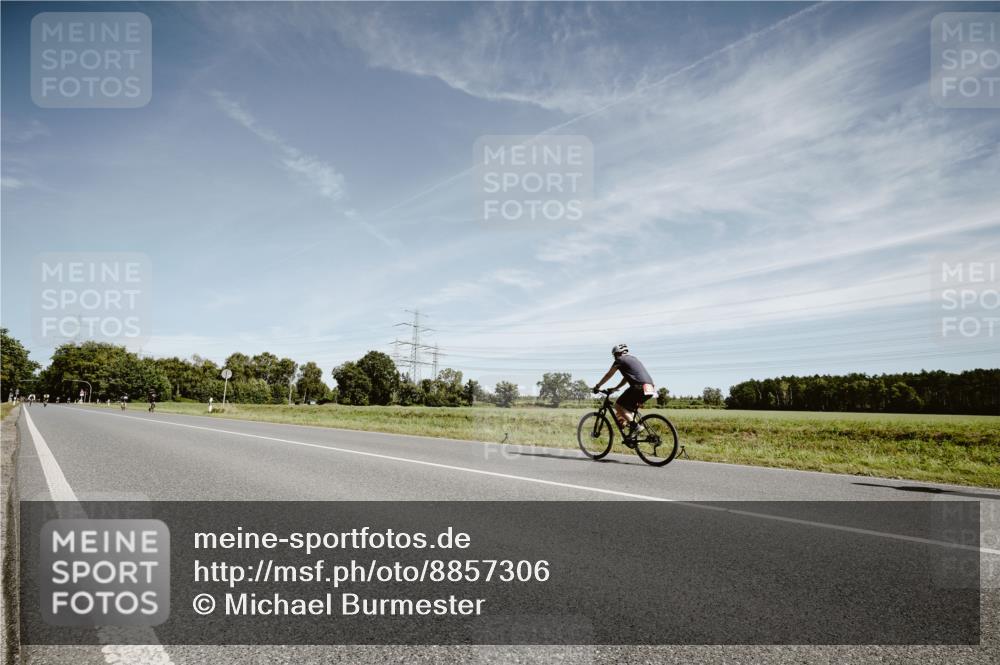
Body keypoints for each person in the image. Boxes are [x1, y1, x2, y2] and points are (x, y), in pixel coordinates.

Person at [592, 344, 655, 442]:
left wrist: (598, 386)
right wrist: (616, 388)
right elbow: (626, 377)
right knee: (626, 411)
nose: (615, 357)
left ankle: (636, 427)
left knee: (618, 405)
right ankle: (632, 436)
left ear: (617, 353)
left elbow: (609, 374)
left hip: (638, 387)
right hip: (650, 388)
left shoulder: (619, 360)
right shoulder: (634, 359)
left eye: (614, 355)